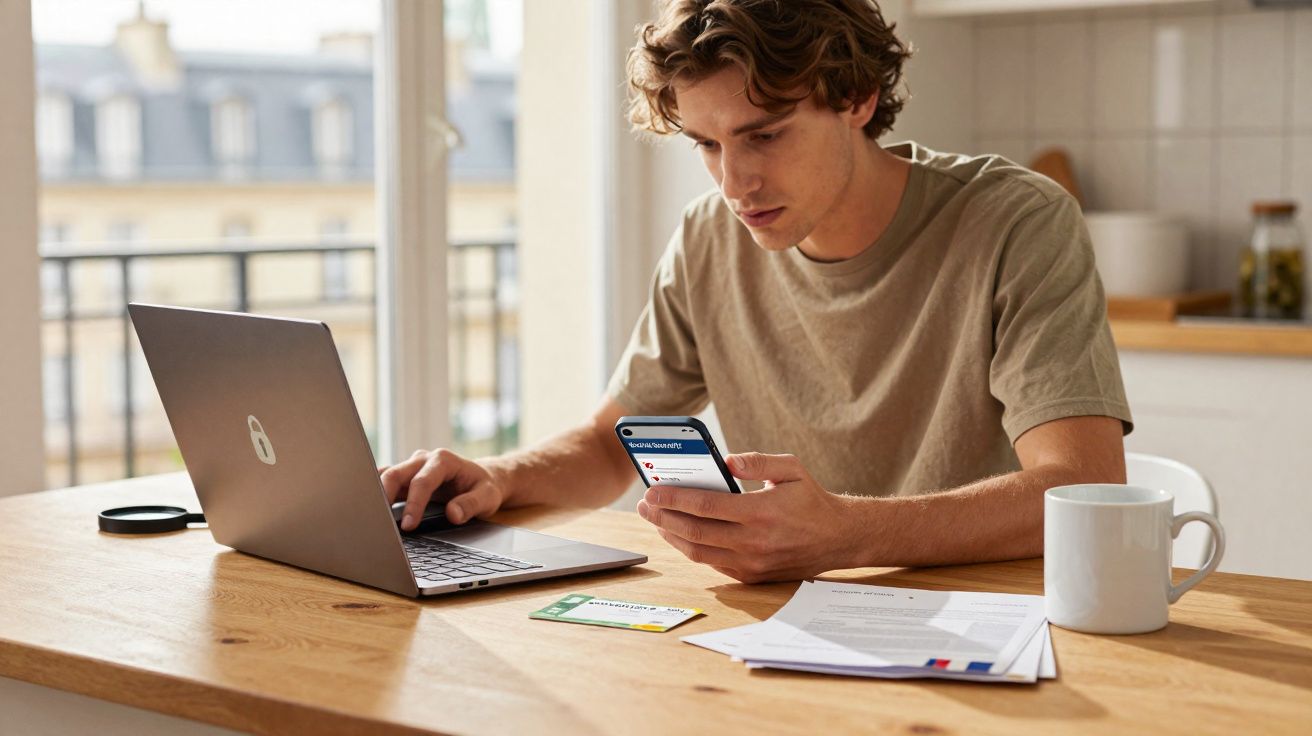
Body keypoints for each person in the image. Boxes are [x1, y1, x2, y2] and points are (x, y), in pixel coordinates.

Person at [380, 0, 1132, 584]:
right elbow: (614, 443)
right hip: (783, 626)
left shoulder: (1015, 223)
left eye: (764, 135)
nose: (735, 184)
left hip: (984, 626)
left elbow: (1080, 487)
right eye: (707, 144)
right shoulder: (710, 237)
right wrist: (498, 479)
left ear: (859, 98)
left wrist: (848, 533)